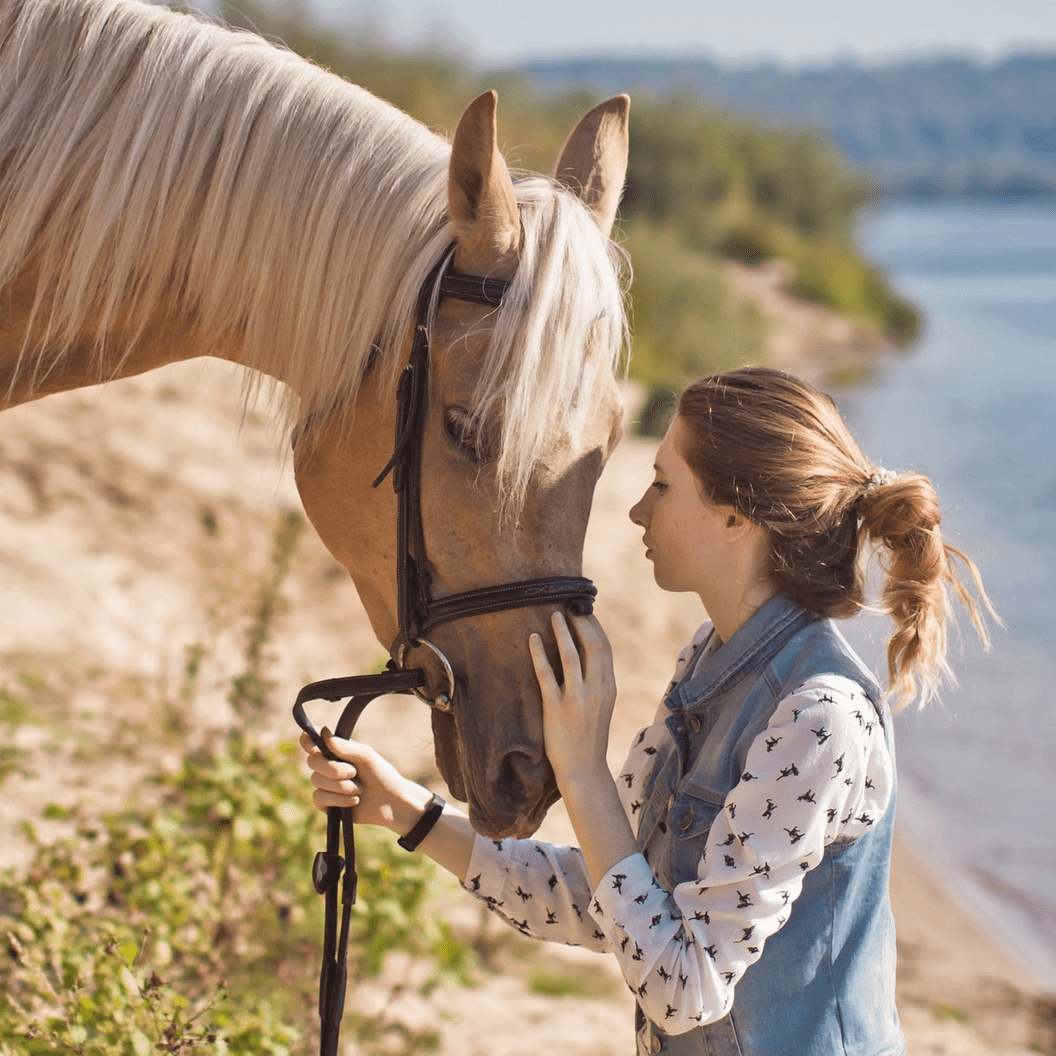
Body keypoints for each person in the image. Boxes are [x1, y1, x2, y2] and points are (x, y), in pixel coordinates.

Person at [301, 366, 994, 1056]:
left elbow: (686, 987)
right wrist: (412, 815)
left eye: (662, 484)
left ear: (735, 516)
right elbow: (617, 898)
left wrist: (583, 771)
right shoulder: (708, 658)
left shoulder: (819, 719)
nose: (638, 510)